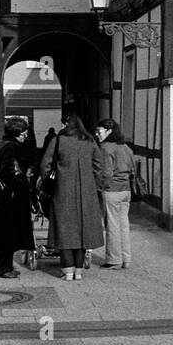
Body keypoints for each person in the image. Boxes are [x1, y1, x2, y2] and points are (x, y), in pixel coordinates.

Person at [40, 112, 104, 280]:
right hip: (86, 193)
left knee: (65, 229)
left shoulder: (58, 140)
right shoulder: (89, 141)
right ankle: (78, 271)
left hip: (63, 191)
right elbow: (99, 165)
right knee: (83, 231)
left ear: (67, 124)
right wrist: (94, 185)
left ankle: (67, 271)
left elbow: (45, 164)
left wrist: (47, 182)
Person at [0, 117, 34, 279]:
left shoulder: (3, 144)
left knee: (6, 232)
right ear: (16, 132)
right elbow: (9, 171)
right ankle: (1, 268)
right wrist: (20, 184)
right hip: (9, 196)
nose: (25, 135)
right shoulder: (10, 147)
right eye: (23, 132)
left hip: (4, 194)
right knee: (6, 233)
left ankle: (5, 266)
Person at [95, 118, 135, 270]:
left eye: (99, 131)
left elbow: (106, 172)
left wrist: (101, 187)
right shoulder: (125, 147)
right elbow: (133, 169)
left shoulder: (106, 148)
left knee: (111, 225)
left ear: (109, 131)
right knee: (123, 225)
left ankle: (114, 260)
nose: (97, 134)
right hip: (126, 190)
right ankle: (126, 259)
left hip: (112, 190)